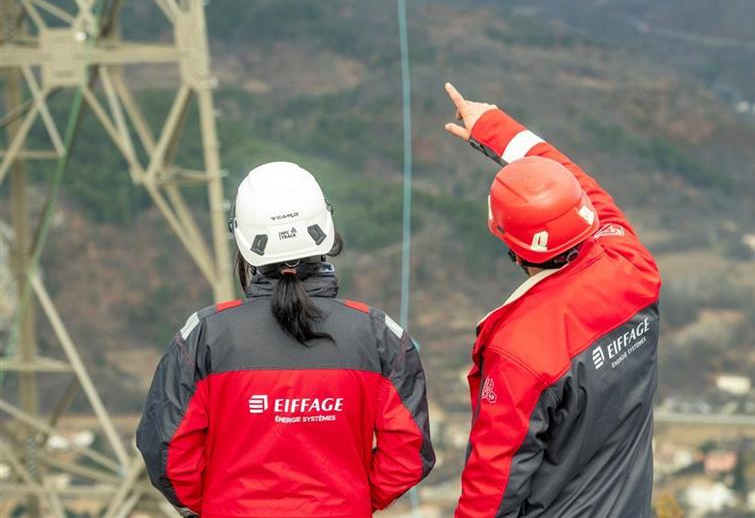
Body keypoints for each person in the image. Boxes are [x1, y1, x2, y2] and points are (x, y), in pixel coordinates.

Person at [136, 161, 435, 517]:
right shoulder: (380, 336)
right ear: (326, 228)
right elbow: (408, 454)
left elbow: (167, 455)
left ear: (243, 241)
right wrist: (350, 499)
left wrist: (223, 503)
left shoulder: (203, 336)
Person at [443, 83, 661, 517]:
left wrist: (493, 130)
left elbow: (493, 485)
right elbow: (579, 185)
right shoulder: (633, 266)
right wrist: (495, 128)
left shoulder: (521, 350)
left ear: (508, 241)